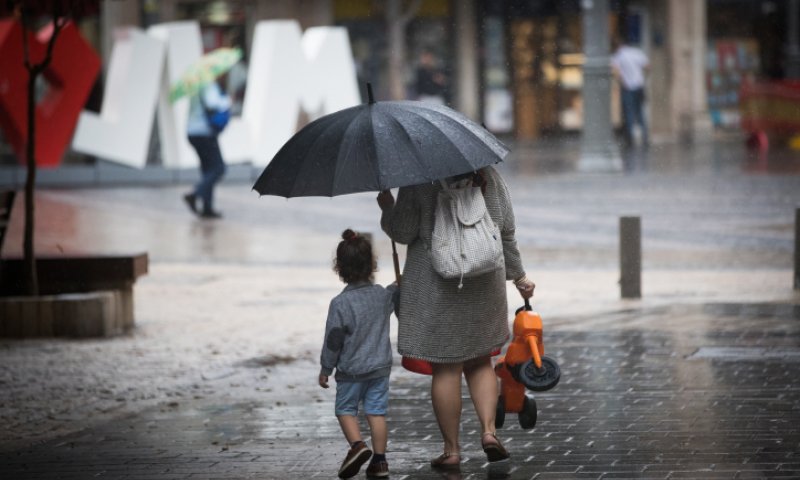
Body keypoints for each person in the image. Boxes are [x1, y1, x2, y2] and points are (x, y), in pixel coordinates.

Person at [377, 168, 535, 470]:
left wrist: (387, 208)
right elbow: (505, 230)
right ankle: (489, 432)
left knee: (446, 369)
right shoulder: (488, 174)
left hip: (437, 283)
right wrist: (519, 276)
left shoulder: (419, 178)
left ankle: (451, 450)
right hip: (484, 280)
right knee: (480, 362)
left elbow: (403, 231)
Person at [319, 229, 399, 479]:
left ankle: (357, 446)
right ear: (372, 265)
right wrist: (400, 284)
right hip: (379, 368)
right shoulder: (383, 296)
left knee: (345, 410)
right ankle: (380, 461)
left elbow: (334, 341)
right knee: (376, 412)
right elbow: (395, 293)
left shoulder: (340, 304)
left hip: (351, 370)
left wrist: (325, 368)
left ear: (339, 268)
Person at [183, 79, 231, 219]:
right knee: (218, 168)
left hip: (192, 132)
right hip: (204, 133)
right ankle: (195, 194)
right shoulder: (208, 85)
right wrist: (227, 100)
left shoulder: (195, 85)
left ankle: (207, 208)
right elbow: (213, 104)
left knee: (208, 170)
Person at [611, 36, 650, 148]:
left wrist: (623, 82)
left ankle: (630, 140)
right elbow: (647, 66)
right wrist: (642, 79)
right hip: (639, 86)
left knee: (629, 114)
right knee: (640, 113)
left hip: (628, 88)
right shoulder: (636, 52)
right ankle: (645, 138)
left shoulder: (617, 56)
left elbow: (616, 72)